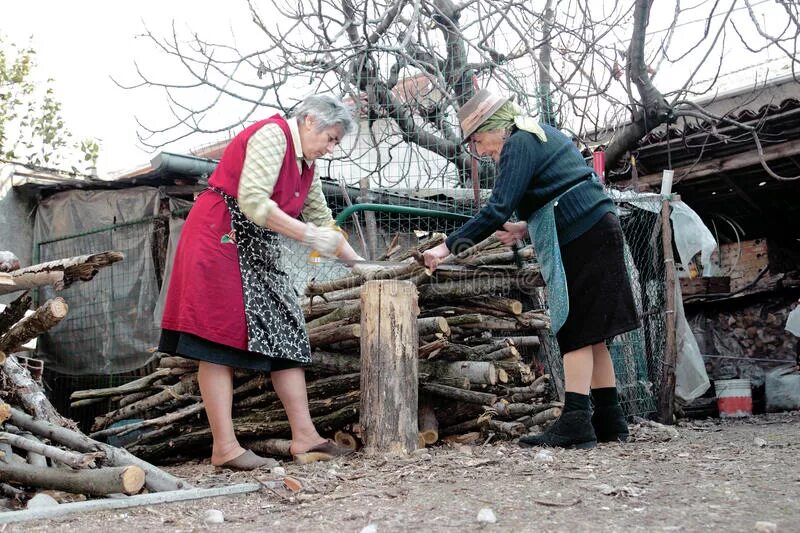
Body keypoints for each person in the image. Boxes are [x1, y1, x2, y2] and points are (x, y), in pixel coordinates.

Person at [422, 89, 640, 449]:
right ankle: (610, 418)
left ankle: (575, 422)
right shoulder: (542, 132)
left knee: (574, 327)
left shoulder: (518, 142)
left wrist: (447, 247)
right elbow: (563, 183)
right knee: (595, 332)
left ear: (494, 126)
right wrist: (524, 228)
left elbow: (497, 208)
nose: (481, 150)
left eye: (478, 140)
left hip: (581, 232)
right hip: (599, 224)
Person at [159, 94, 363, 470]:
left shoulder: (306, 165)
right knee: (217, 336)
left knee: (287, 326)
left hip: (259, 244)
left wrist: (360, 265)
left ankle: (305, 437)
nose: (331, 148)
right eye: (331, 138)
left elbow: (323, 221)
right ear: (308, 121)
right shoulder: (273, 136)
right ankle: (225, 447)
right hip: (220, 235)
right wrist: (307, 236)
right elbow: (253, 201)